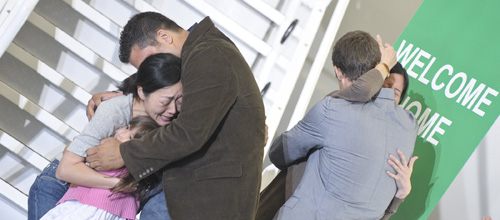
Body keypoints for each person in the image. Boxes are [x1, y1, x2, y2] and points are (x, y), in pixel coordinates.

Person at [85, 12, 266, 220]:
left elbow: (189, 131)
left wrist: (124, 153)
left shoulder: (209, 54)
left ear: (164, 36)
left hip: (205, 201)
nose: (152, 71)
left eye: (149, 61)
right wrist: (126, 99)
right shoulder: (201, 54)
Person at [268, 30, 419, 219]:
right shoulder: (410, 126)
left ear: (338, 71)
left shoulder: (332, 108)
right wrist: (400, 196)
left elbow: (278, 154)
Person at [27, 52, 182, 220]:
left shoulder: (170, 120)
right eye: (165, 101)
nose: (173, 109)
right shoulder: (114, 111)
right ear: (142, 92)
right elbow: (65, 169)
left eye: (179, 101)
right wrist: (120, 184)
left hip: (104, 202)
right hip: (61, 187)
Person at [41, 116, 161, 220]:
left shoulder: (140, 167)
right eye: (127, 128)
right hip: (85, 206)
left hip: (107, 210)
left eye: (130, 138)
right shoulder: (105, 144)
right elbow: (70, 151)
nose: (122, 134)